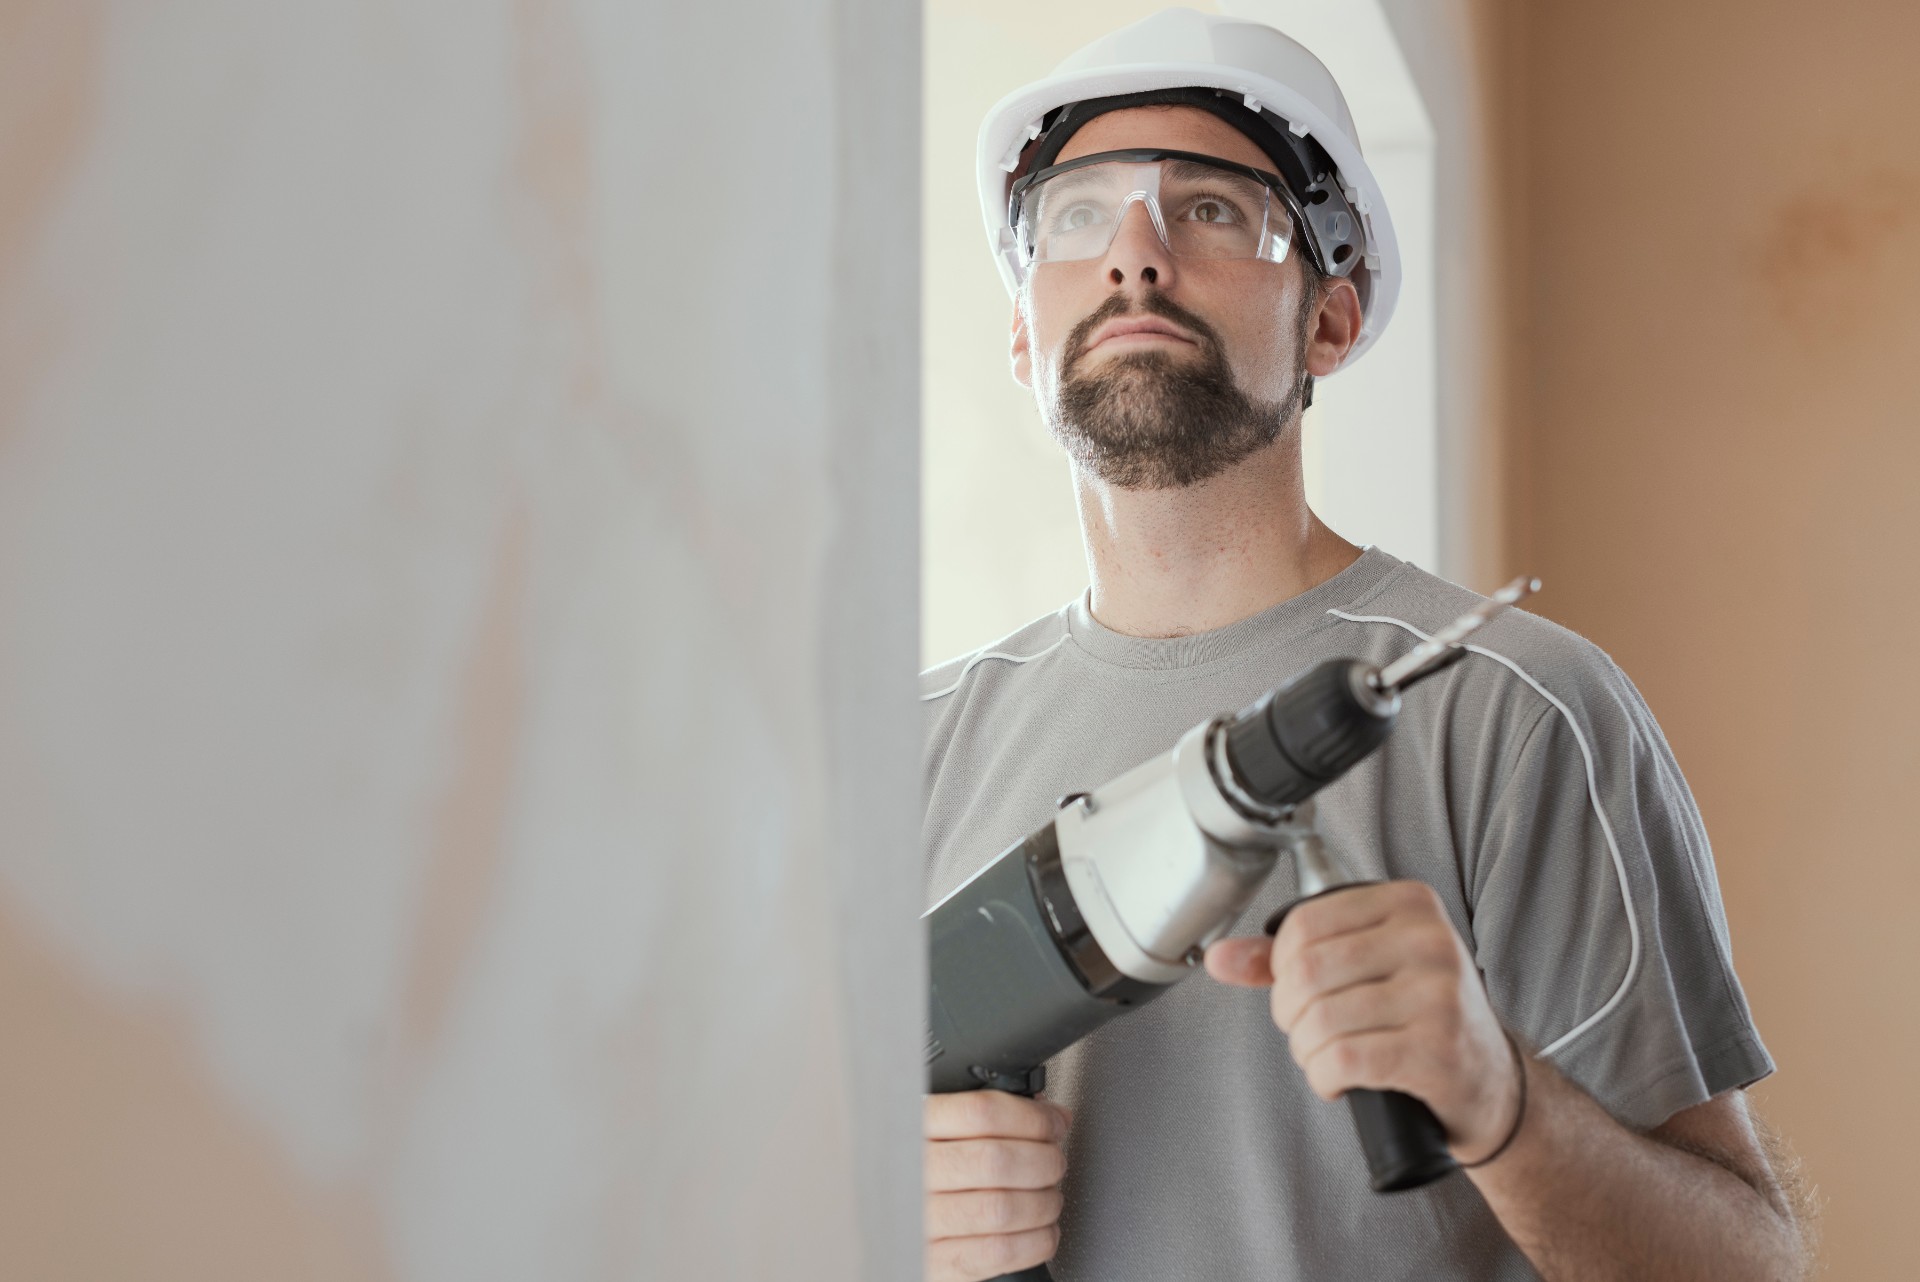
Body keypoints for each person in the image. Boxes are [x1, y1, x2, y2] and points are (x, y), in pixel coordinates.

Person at [920, 10, 1810, 1281]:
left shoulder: (1511, 708)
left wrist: (1499, 1102)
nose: (1135, 254)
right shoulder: (911, 747)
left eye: (1215, 210)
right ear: (1021, 331)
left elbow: (1749, 1265)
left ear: (1328, 323)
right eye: (1076, 215)